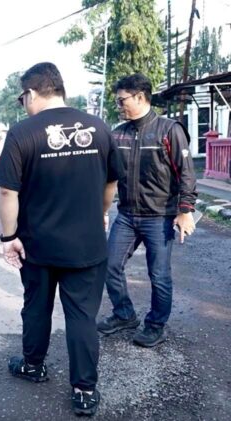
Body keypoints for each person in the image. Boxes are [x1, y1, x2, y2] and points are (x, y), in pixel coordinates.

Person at [0, 62, 123, 417]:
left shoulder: (22, 133)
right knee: (82, 316)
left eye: (23, 97)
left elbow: (8, 191)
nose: (23, 104)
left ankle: (33, 366)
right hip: (87, 244)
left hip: (38, 245)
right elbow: (112, 182)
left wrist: (9, 237)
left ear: (32, 93)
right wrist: (100, 214)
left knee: (36, 308)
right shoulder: (98, 127)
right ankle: (84, 390)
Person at [97, 73, 197, 348]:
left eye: (122, 100)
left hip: (160, 216)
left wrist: (185, 210)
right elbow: (107, 175)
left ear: (140, 96)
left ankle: (155, 325)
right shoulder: (119, 133)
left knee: (159, 274)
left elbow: (186, 174)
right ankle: (124, 314)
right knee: (109, 264)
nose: (119, 106)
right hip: (127, 215)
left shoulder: (168, 130)